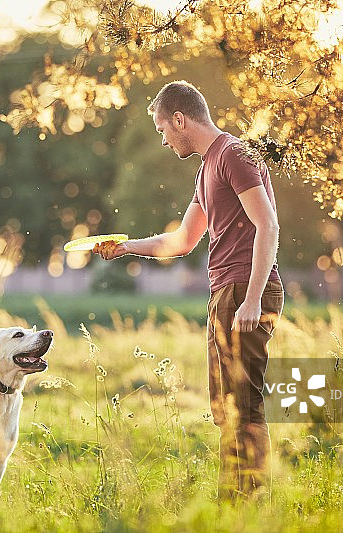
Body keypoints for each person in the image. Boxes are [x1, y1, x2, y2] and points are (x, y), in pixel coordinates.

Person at [93, 80, 284, 502]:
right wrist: (126, 246)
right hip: (225, 294)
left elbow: (267, 225)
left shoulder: (233, 155)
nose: (163, 140)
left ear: (180, 119)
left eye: (163, 129)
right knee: (226, 407)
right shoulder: (207, 170)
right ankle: (231, 499)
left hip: (245, 289)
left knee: (245, 405)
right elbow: (180, 241)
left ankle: (250, 504)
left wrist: (252, 298)